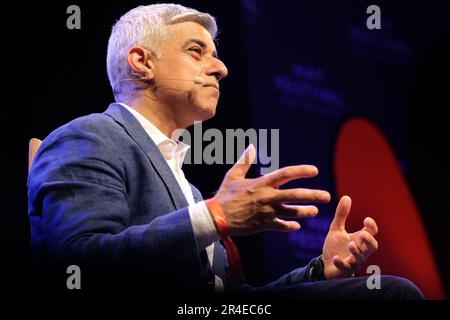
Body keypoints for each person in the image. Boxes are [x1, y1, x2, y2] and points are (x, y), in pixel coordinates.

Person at [27, 3, 423, 300]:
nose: (221, 68)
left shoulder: (187, 186)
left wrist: (320, 271)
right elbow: (79, 263)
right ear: (141, 62)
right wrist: (215, 215)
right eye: (197, 51)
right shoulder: (86, 137)